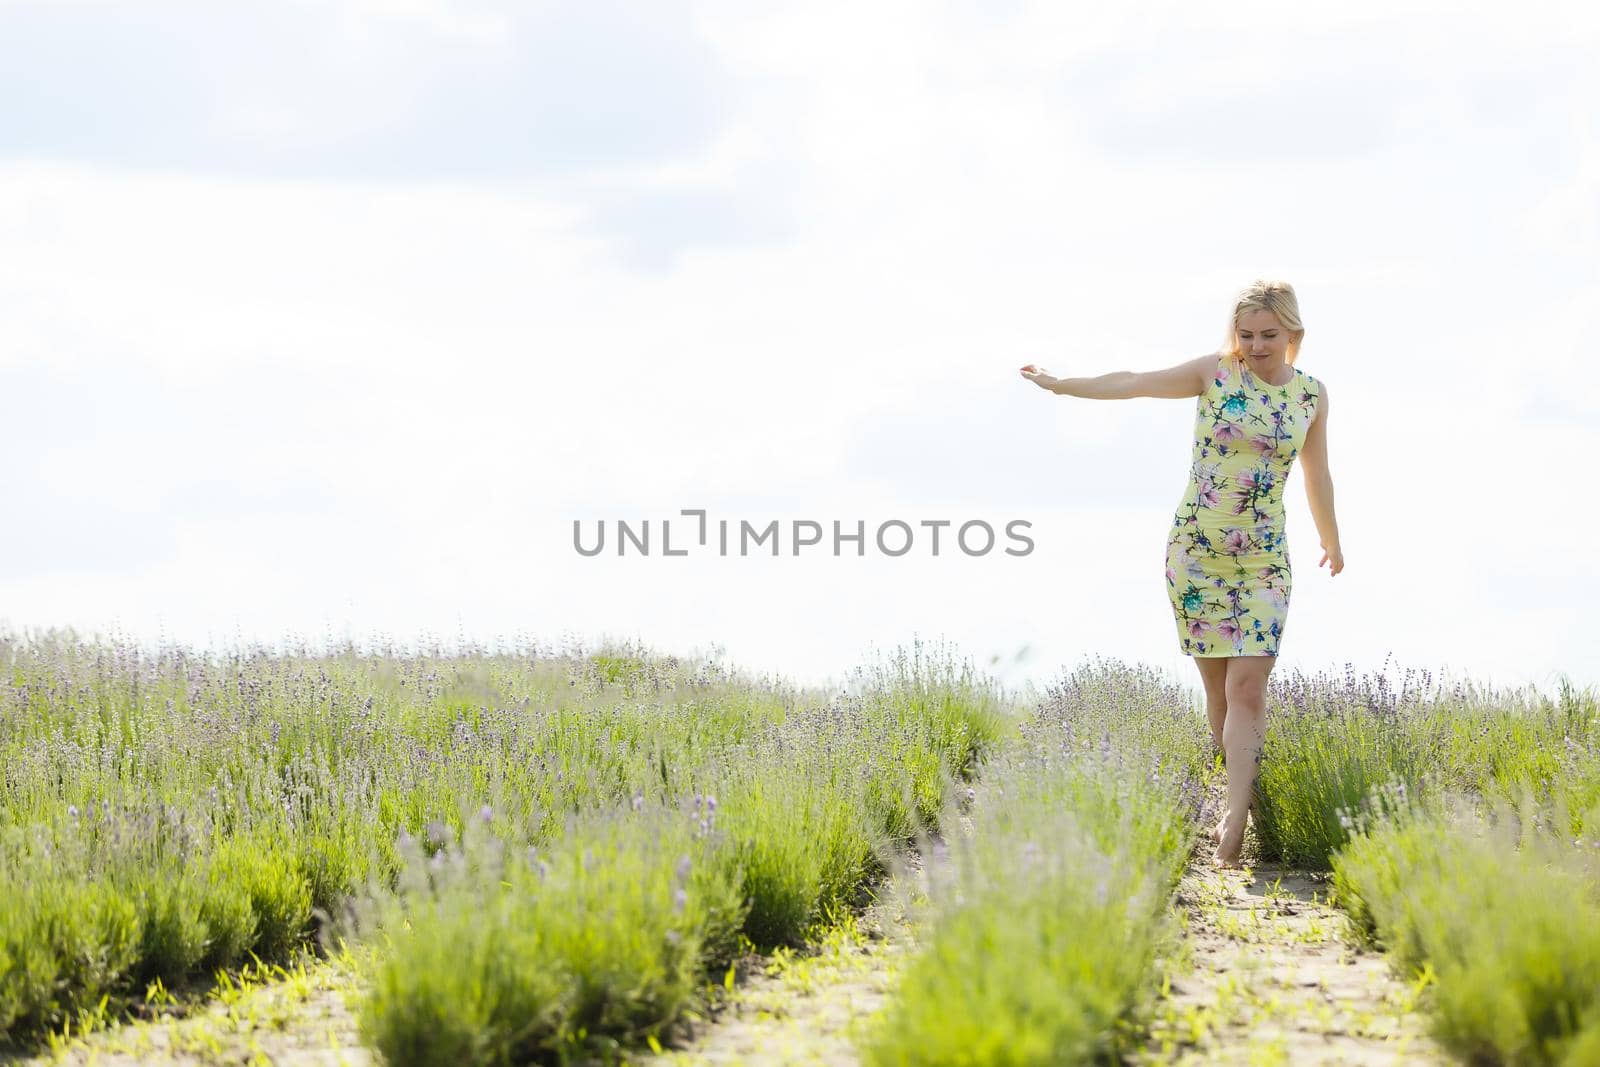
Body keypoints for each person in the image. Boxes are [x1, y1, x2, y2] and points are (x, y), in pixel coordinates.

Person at [1018, 279, 1343, 867]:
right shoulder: (1214, 374)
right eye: (1246, 334)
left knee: (1249, 688)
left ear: (1294, 335)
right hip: (1197, 554)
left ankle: (1236, 817)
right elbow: (1134, 384)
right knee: (1219, 695)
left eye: (1269, 335)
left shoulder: (1311, 397)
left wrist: (1331, 540)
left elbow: (1317, 474)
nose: (1256, 345)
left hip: (1265, 560)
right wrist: (1059, 385)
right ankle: (1234, 791)